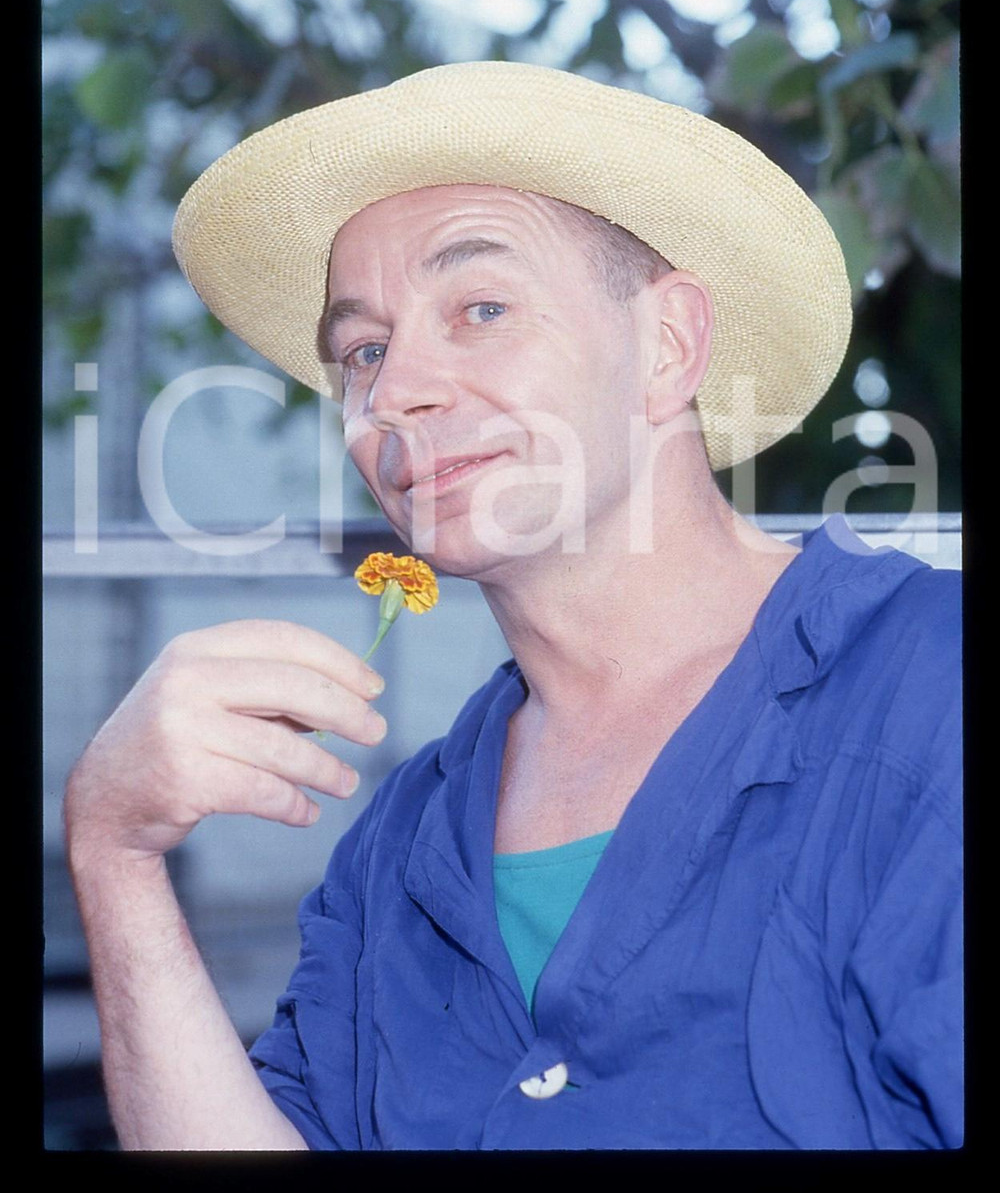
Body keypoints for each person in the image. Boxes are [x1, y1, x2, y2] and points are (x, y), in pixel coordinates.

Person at [64, 61, 962, 1151]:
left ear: (669, 345)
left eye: (481, 308)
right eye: (363, 350)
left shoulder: (929, 692)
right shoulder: (399, 842)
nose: (392, 395)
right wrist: (114, 855)